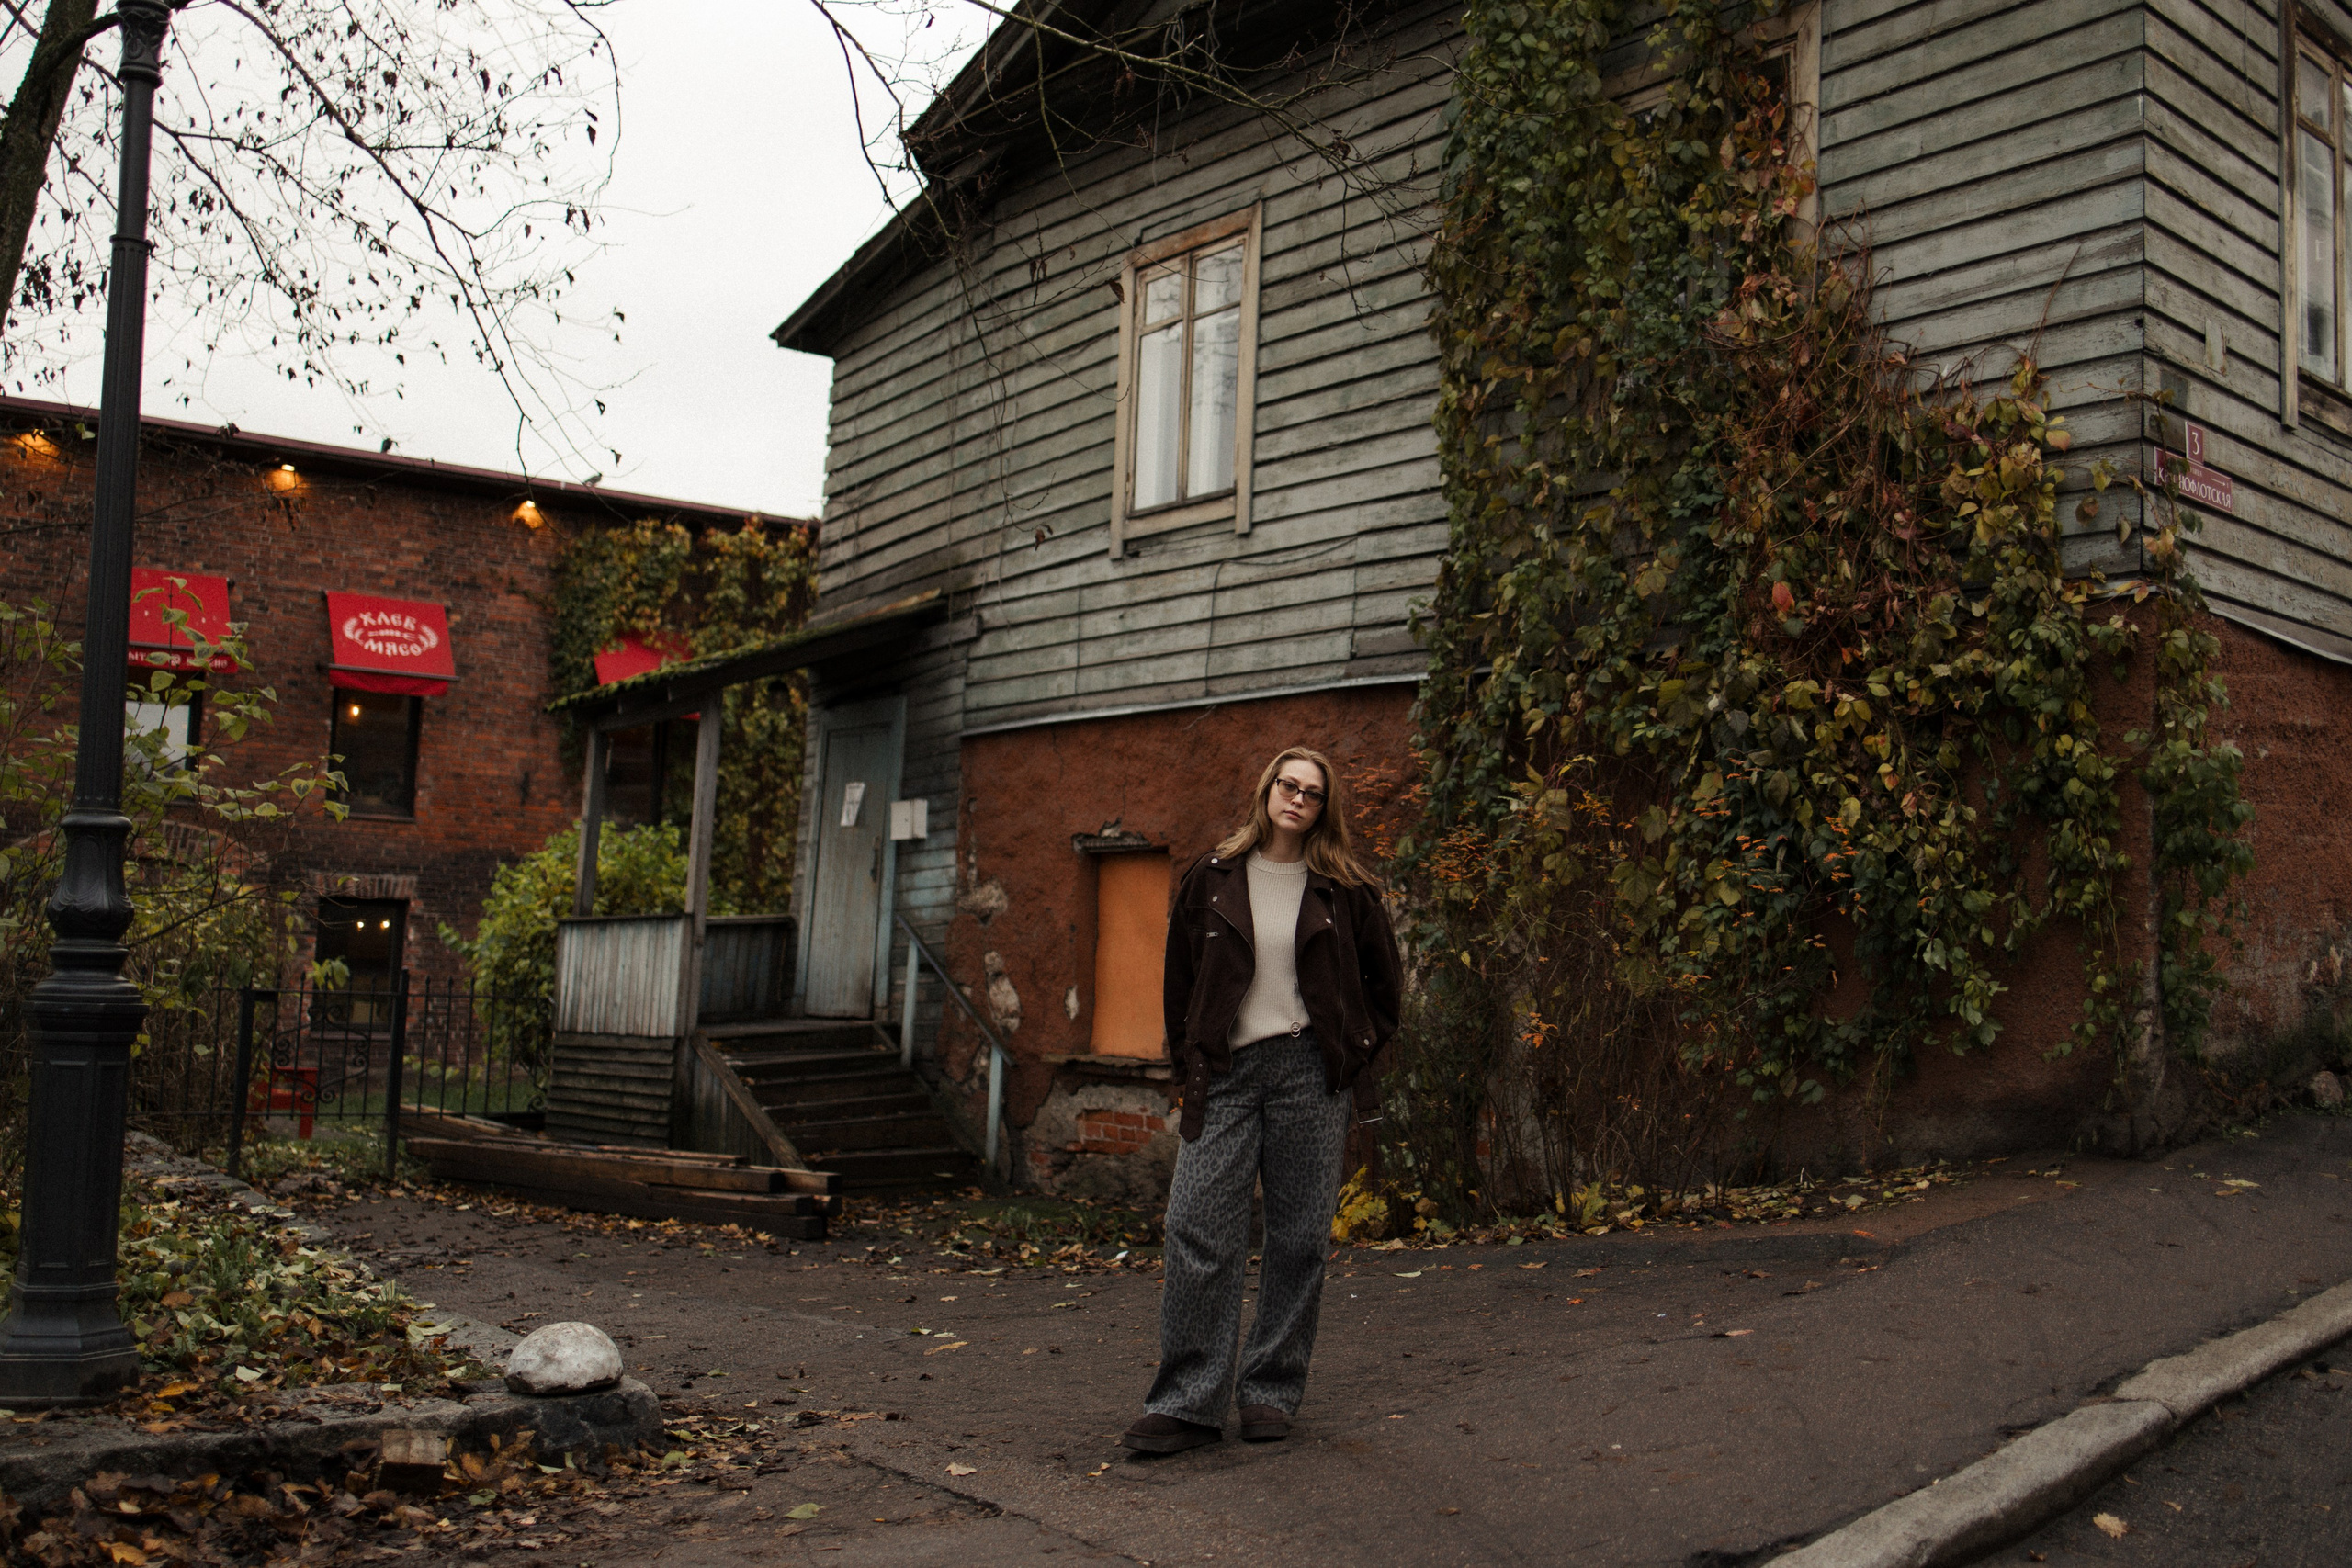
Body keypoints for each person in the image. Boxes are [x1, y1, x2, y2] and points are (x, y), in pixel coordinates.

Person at [1121, 745, 1404, 1455]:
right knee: (1195, 1226)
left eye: (1312, 792)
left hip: (1310, 1072)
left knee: (1300, 1238)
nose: (1298, 798)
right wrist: (1188, 1059)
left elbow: (1384, 990)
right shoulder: (1212, 877)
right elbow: (1180, 979)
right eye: (1289, 784)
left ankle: (1269, 1391)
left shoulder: (1345, 889)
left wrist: (1350, 1048)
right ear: (1267, 789)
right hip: (1226, 1071)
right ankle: (1189, 1400)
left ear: (1322, 808)